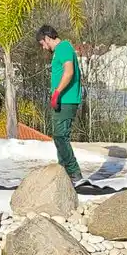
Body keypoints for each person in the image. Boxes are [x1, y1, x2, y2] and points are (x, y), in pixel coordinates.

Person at [38, 25, 83, 185]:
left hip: (66, 99)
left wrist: (57, 92)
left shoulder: (63, 47)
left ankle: (73, 172)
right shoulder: (60, 50)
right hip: (62, 99)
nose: (43, 47)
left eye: (43, 43)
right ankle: (63, 172)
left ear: (48, 38)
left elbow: (69, 71)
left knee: (60, 136)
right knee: (58, 137)